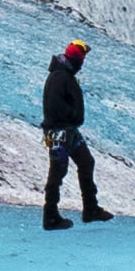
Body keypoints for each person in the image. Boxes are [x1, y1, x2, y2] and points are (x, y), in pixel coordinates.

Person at [36, 38, 103, 228]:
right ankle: (50, 215)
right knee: (58, 169)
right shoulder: (60, 77)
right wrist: (72, 116)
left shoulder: (64, 74)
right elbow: (54, 106)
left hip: (68, 130)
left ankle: (91, 208)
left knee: (86, 162)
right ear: (77, 61)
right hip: (59, 131)